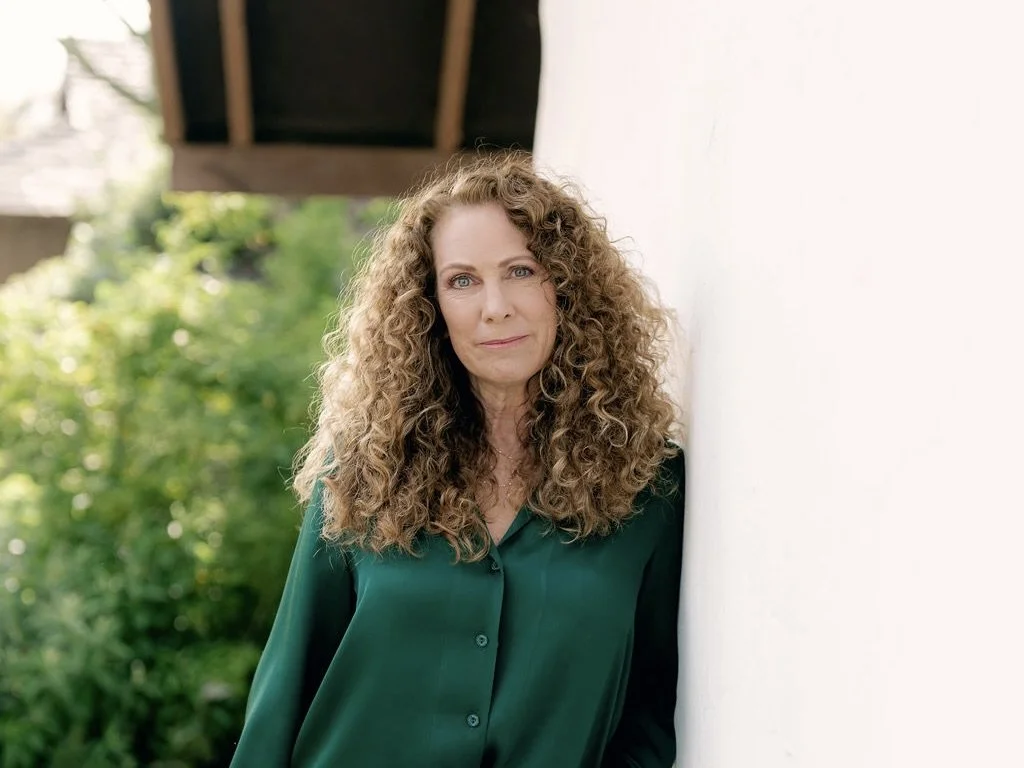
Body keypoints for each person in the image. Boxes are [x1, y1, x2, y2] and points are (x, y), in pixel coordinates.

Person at [229, 152, 686, 767]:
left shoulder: (647, 489)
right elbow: (286, 685)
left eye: (521, 270)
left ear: (567, 286)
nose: (494, 305)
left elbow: (647, 716)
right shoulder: (362, 471)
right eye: (462, 280)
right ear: (431, 307)